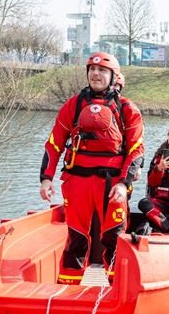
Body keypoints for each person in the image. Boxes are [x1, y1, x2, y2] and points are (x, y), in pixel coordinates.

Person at [39, 52, 144, 285]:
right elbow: (54, 143)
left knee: (113, 236)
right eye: (91, 70)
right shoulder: (74, 105)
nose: (95, 74)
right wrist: (46, 178)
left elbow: (136, 149)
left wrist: (123, 183)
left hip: (112, 183)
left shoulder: (127, 108)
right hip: (77, 180)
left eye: (102, 71)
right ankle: (68, 287)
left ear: (114, 76)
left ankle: (115, 287)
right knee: (76, 236)